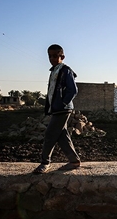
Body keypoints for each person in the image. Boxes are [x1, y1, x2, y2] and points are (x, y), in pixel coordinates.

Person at [33, 44, 81, 174]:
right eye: (50, 56)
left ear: (62, 56)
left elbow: (73, 90)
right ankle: (74, 161)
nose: (52, 59)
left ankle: (45, 163)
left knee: (50, 134)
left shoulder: (66, 70)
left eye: (55, 56)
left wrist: (62, 102)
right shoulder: (54, 70)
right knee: (62, 135)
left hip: (63, 109)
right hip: (56, 108)